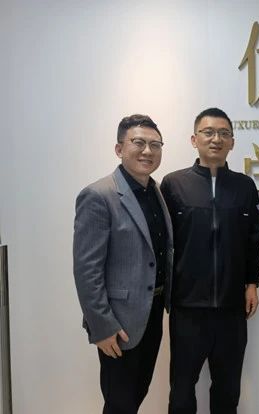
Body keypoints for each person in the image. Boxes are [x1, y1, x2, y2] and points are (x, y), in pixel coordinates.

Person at [161, 107, 259, 414]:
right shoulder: (173, 184)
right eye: (208, 132)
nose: (216, 139)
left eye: (223, 133)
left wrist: (252, 283)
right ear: (194, 139)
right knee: (182, 389)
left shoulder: (244, 186)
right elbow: (162, 244)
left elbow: (253, 240)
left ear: (232, 142)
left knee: (228, 389)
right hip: (187, 308)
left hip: (232, 309)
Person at [73, 114, 173, 413]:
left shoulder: (156, 191)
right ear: (119, 148)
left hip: (152, 311)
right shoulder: (98, 195)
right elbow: (87, 269)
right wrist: (102, 327)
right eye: (138, 143)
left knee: (137, 393)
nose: (147, 151)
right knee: (120, 402)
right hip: (118, 321)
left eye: (155, 144)